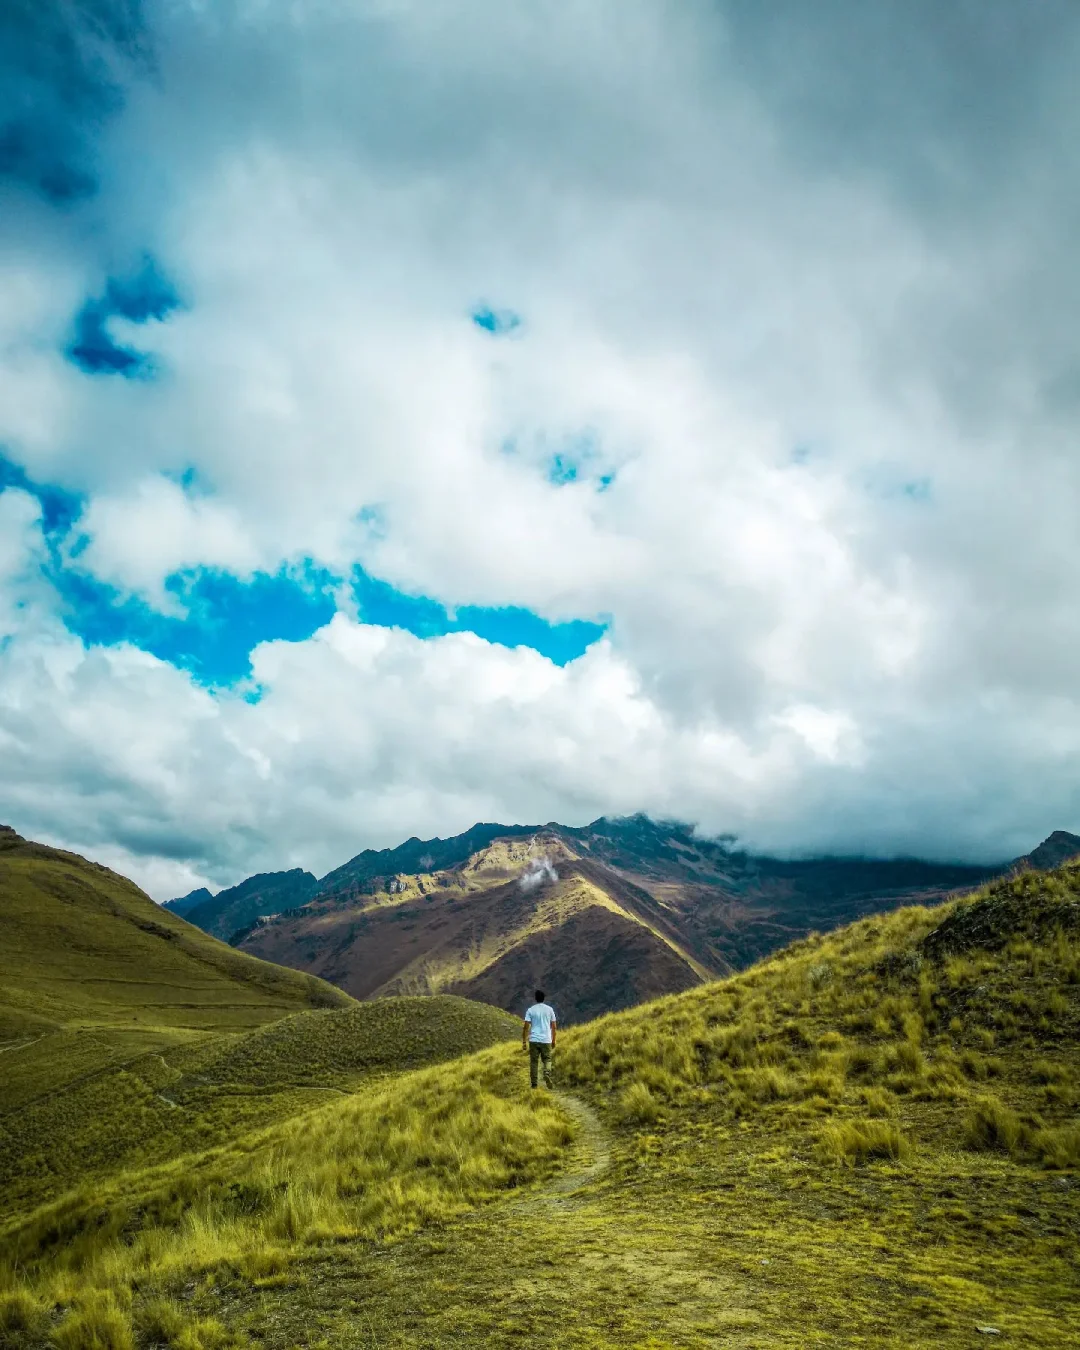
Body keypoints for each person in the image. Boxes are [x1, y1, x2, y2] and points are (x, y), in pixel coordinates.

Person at [522, 989, 557, 1089]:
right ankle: (547, 1072)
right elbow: (554, 1026)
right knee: (547, 1059)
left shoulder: (530, 1010)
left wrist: (524, 1041)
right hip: (546, 1039)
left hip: (533, 1039)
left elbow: (526, 1027)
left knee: (534, 1062)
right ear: (544, 998)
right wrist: (554, 1040)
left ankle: (534, 1085)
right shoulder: (550, 1010)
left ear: (535, 998)